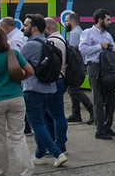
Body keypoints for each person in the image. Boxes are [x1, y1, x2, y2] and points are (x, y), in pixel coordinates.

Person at [20, 14, 68, 167]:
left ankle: (57, 153)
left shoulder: (29, 46)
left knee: (37, 124)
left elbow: (16, 65)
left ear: (34, 28)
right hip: (50, 88)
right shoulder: (49, 43)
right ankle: (40, 154)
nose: (23, 28)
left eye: (26, 25)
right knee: (47, 120)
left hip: (33, 89)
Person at [0, 26, 36, 176]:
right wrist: (18, 78)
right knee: (18, 137)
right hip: (16, 97)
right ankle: (27, 174)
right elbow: (30, 71)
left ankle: (0, 175)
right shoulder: (13, 53)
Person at [79, 8, 115, 141]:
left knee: (110, 99)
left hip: (107, 68)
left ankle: (108, 126)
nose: (110, 22)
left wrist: (114, 52)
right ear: (100, 20)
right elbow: (83, 50)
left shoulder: (108, 35)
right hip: (95, 67)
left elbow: (110, 48)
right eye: (107, 19)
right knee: (98, 99)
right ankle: (100, 130)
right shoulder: (88, 33)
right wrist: (99, 46)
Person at [43, 17, 70, 153]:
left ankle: (59, 144)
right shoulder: (61, 39)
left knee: (57, 115)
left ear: (47, 28)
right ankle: (56, 142)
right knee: (52, 113)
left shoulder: (52, 42)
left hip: (55, 81)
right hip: (61, 80)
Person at [63, 12, 93, 124]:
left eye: (66, 21)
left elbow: (72, 52)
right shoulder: (77, 32)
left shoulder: (75, 34)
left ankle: (91, 111)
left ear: (72, 22)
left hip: (75, 66)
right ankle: (76, 114)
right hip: (77, 66)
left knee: (73, 89)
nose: (65, 23)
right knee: (72, 89)